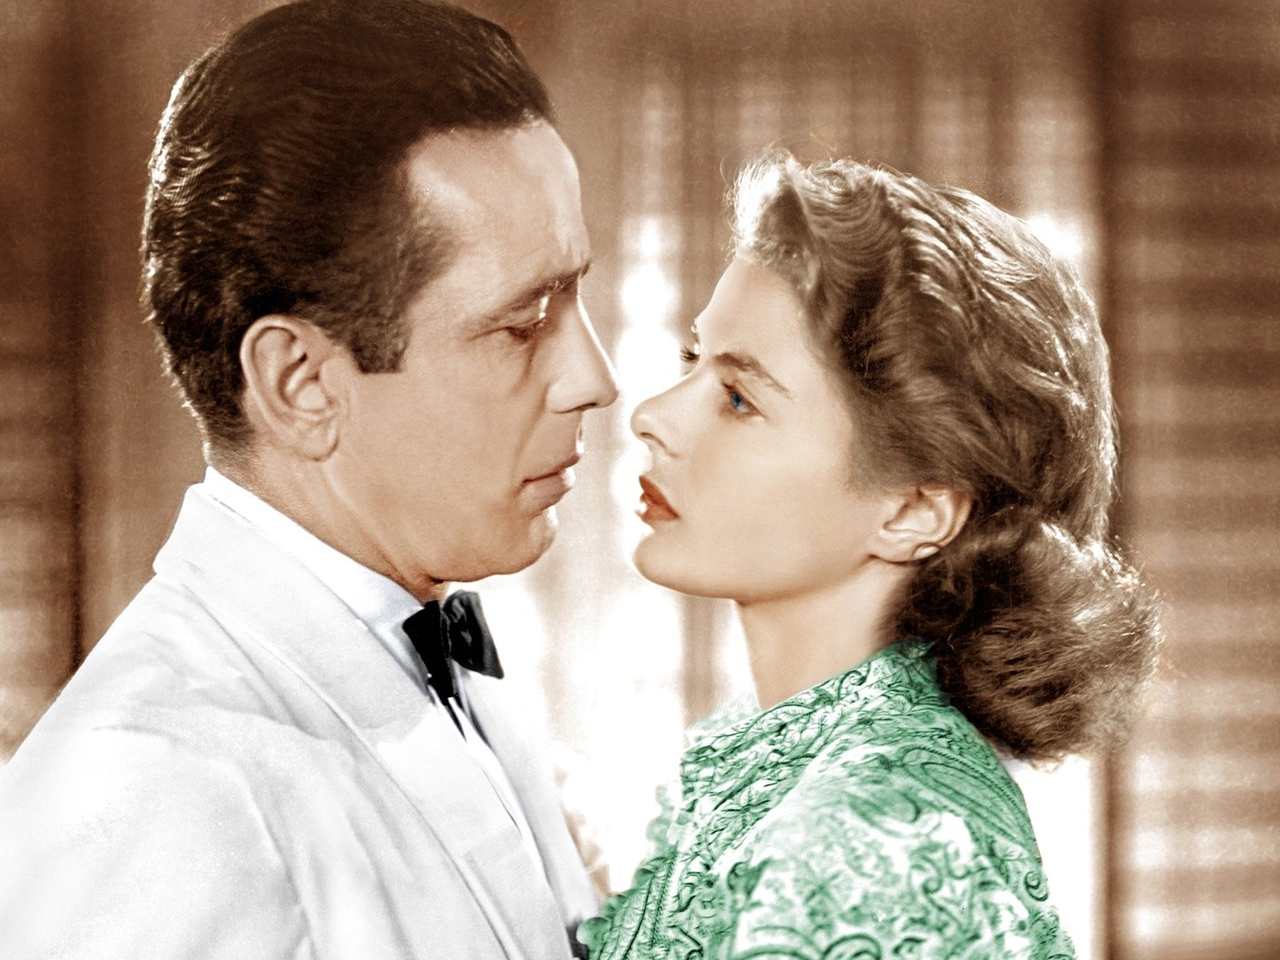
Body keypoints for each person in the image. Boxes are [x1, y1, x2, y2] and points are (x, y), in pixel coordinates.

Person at [0, 2, 617, 957]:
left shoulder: (455, 670)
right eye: (522, 324)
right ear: (300, 384)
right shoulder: (149, 796)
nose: (594, 379)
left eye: (576, 296)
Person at [580, 154, 1161, 959]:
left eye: (740, 398)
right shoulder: (791, 759)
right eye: (692, 361)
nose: (652, 416)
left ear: (914, 511)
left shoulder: (874, 837)